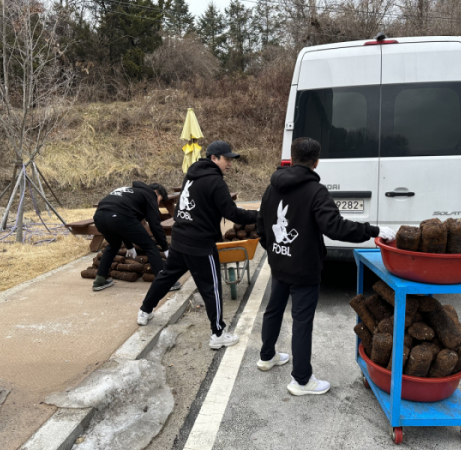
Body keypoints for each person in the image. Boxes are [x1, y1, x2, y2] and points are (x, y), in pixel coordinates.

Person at [256, 137, 396, 396]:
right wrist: (374, 231)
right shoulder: (315, 191)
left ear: (292, 156)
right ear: (316, 161)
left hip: (279, 263)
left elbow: (261, 224)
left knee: (273, 309)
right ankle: (301, 380)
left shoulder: (271, 187)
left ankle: (267, 357)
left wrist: (275, 251)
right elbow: (335, 227)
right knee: (301, 321)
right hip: (304, 269)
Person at [138, 141, 258, 349]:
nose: (229, 163)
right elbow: (232, 213)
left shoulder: (191, 176)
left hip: (180, 237)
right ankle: (218, 334)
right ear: (214, 158)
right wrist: (260, 216)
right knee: (212, 288)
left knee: (167, 276)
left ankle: (145, 311)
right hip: (201, 244)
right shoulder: (215, 181)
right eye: (226, 159)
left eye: (231, 159)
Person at [92, 181, 181, 292]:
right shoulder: (150, 195)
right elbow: (155, 225)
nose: (158, 204)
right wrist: (165, 247)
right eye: (160, 200)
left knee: (114, 245)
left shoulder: (132, 192)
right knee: (150, 246)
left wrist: (129, 246)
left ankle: (99, 280)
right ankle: (165, 283)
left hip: (99, 217)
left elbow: (126, 227)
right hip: (119, 215)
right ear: (156, 192)